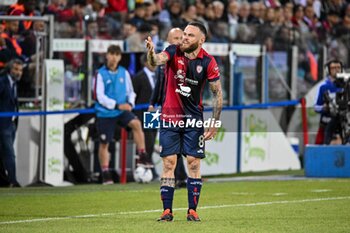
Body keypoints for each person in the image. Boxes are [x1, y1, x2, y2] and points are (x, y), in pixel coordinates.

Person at [145, 21, 223, 221]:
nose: (185, 38)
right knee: (169, 162)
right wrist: (151, 53)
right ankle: (167, 211)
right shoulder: (173, 51)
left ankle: (192, 210)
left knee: (194, 163)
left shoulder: (208, 62)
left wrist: (215, 122)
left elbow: (217, 94)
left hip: (193, 118)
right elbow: (156, 60)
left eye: (190, 35)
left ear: (201, 40)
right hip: (170, 117)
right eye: (184, 34)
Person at [94, 44, 152, 185]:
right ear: (107, 55)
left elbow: (131, 92)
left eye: (116, 54)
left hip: (122, 111)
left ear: (120, 57)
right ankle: (105, 172)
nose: (113, 57)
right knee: (104, 143)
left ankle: (142, 155)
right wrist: (116, 105)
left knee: (137, 124)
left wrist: (130, 104)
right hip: (106, 113)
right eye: (111, 54)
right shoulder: (100, 73)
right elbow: (98, 95)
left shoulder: (124, 72)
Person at [149, 27, 188, 188]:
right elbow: (160, 85)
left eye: (181, 37)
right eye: (176, 38)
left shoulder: (189, 60)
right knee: (171, 146)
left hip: (185, 110)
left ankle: (182, 177)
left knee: (182, 147)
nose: (179, 41)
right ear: (168, 42)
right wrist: (152, 103)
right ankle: (179, 177)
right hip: (167, 110)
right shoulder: (164, 63)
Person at [132, 54, 157, 179]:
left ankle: (148, 168)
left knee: (152, 140)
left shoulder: (158, 76)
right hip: (142, 113)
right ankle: (144, 167)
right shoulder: (138, 77)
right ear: (145, 63)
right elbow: (133, 96)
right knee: (147, 140)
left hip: (154, 113)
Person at [0, 58, 24, 187]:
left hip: (12, 124)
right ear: (10, 70)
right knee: (9, 153)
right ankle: (13, 181)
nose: (18, 72)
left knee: (5, 153)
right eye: (16, 69)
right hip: (3, 124)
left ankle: (5, 181)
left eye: (20, 70)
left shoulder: (14, 84)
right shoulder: (2, 82)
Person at [314, 59, 343, 145]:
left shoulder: (346, 85)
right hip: (326, 124)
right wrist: (324, 107)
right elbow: (316, 107)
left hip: (343, 125)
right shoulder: (323, 87)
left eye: (338, 67)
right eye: (333, 68)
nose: (336, 70)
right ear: (328, 70)